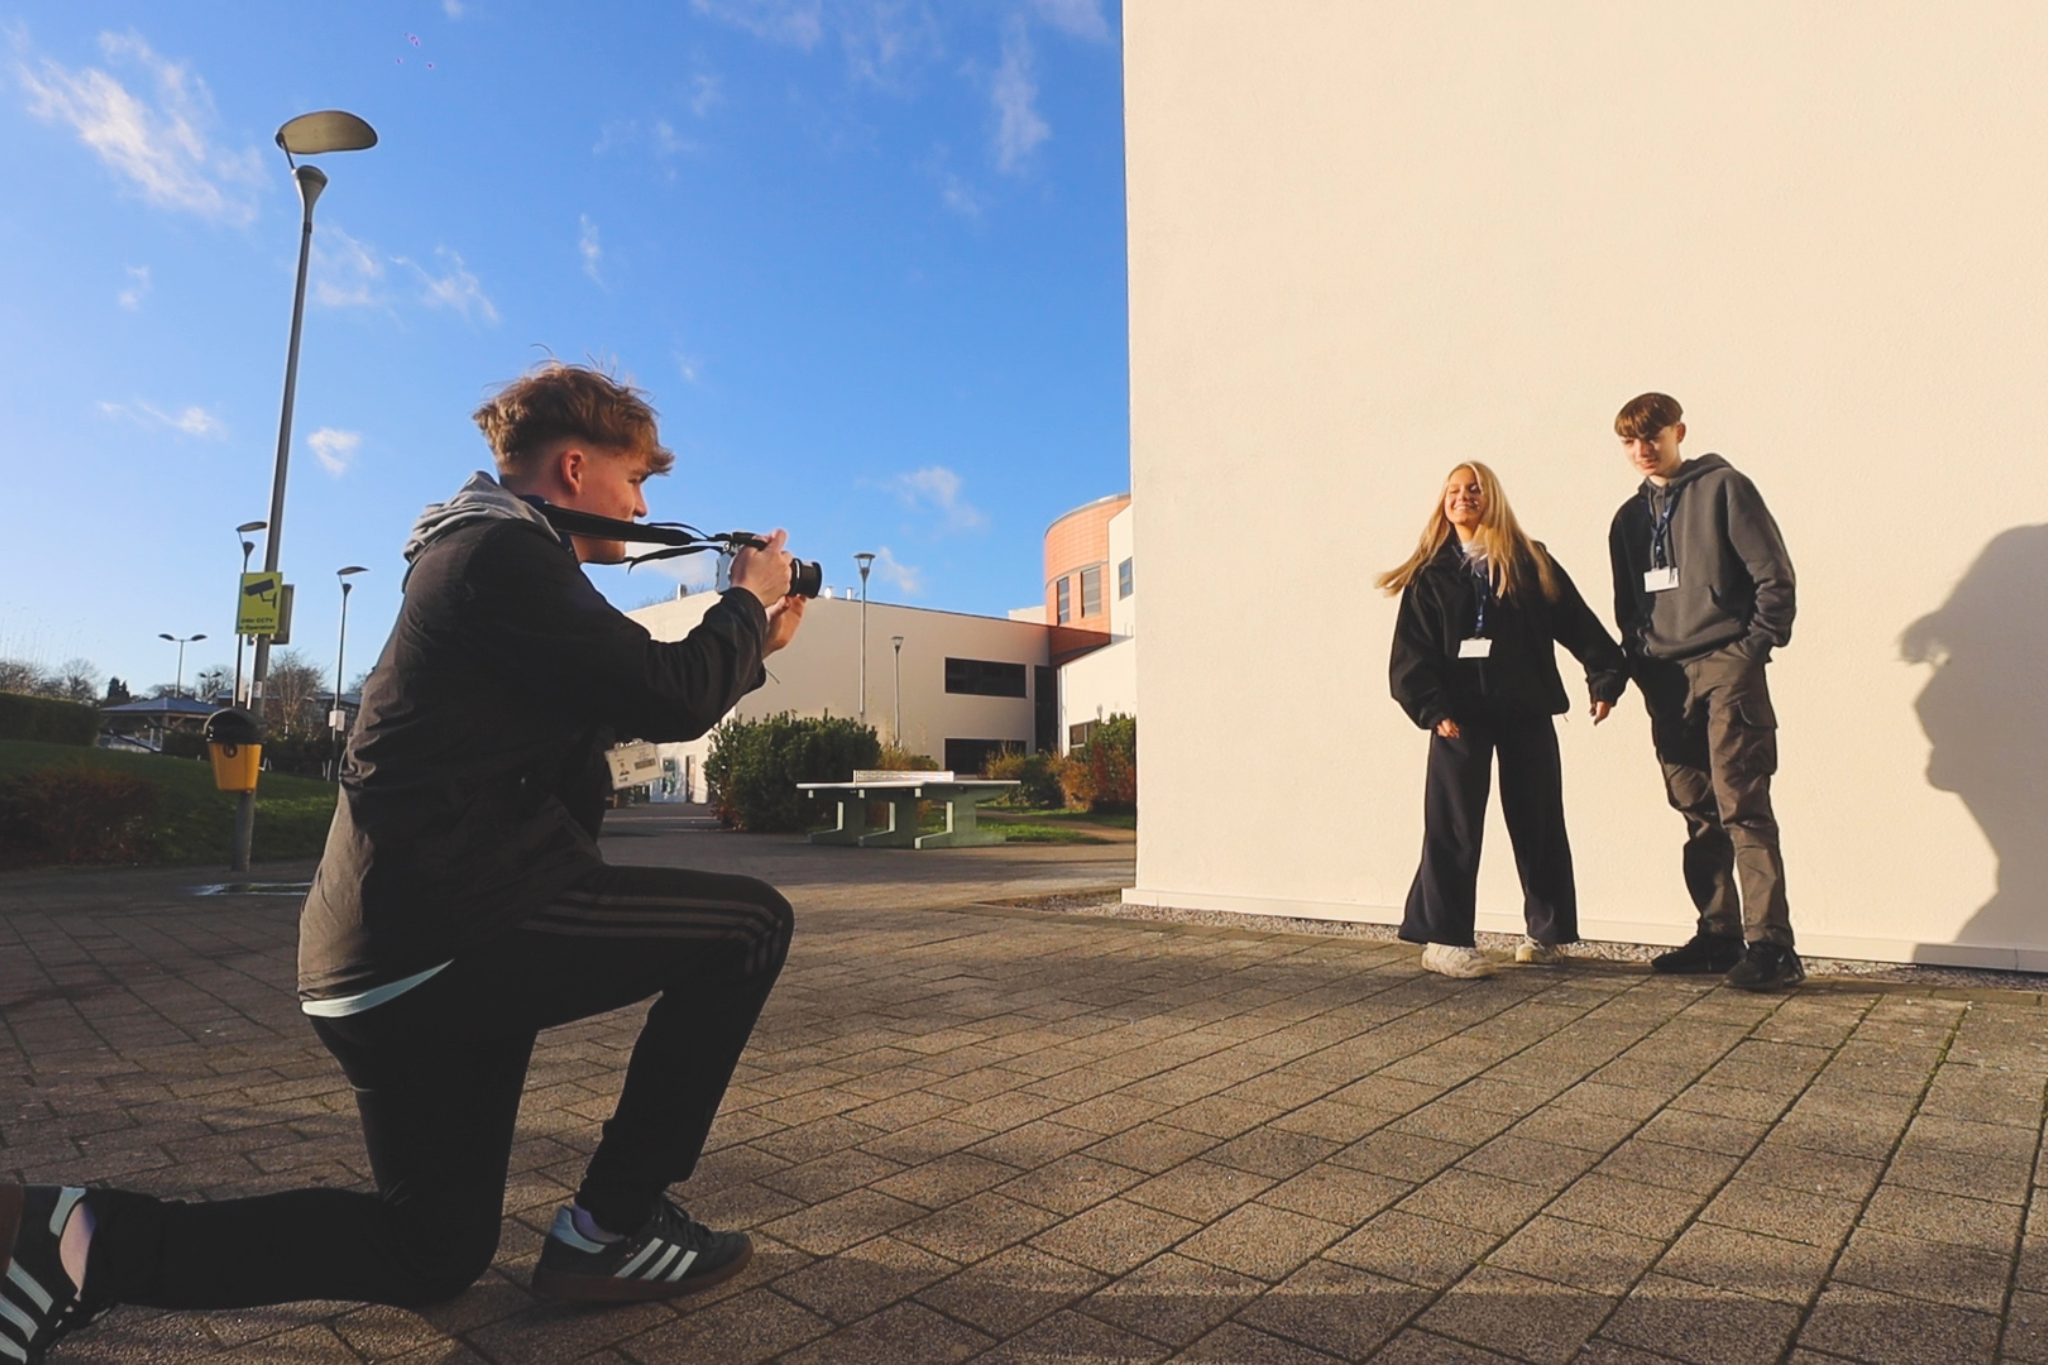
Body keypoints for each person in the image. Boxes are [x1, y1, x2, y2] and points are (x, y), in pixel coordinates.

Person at [1, 363, 808, 1361]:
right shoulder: (498, 559)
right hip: (450, 931)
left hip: (389, 964)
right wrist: (741, 600)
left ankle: (70, 1242)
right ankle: (616, 1227)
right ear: (574, 464)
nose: (645, 507)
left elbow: (635, 694)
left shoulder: (492, 566)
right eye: (636, 480)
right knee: (745, 927)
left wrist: (749, 643)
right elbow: (667, 693)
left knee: (430, 1250)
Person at [1381, 462, 1627, 979]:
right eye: (1454, 491)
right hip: (1459, 719)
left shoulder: (1530, 561)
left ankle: (1548, 933)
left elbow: (1579, 625)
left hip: (1526, 710)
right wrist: (1431, 708)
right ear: (1442, 503)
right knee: (1453, 826)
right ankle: (1444, 939)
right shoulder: (1432, 575)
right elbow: (1411, 655)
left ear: (1492, 497)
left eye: (1474, 489)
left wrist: (1604, 678)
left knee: (1538, 821)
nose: (1463, 497)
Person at [1608, 392, 1802, 990]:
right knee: (1696, 809)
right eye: (1630, 441)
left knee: (1742, 805)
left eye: (1654, 436)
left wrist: (1750, 651)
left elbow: (1775, 578)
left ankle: (1773, 947)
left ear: (1678, 432)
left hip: (1725, 666)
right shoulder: (1628, 519)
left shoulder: (1725, 488)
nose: (1644, 450)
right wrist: (1637, 669)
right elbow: (1629, 608)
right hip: (1667, 682)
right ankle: (1718, 935)